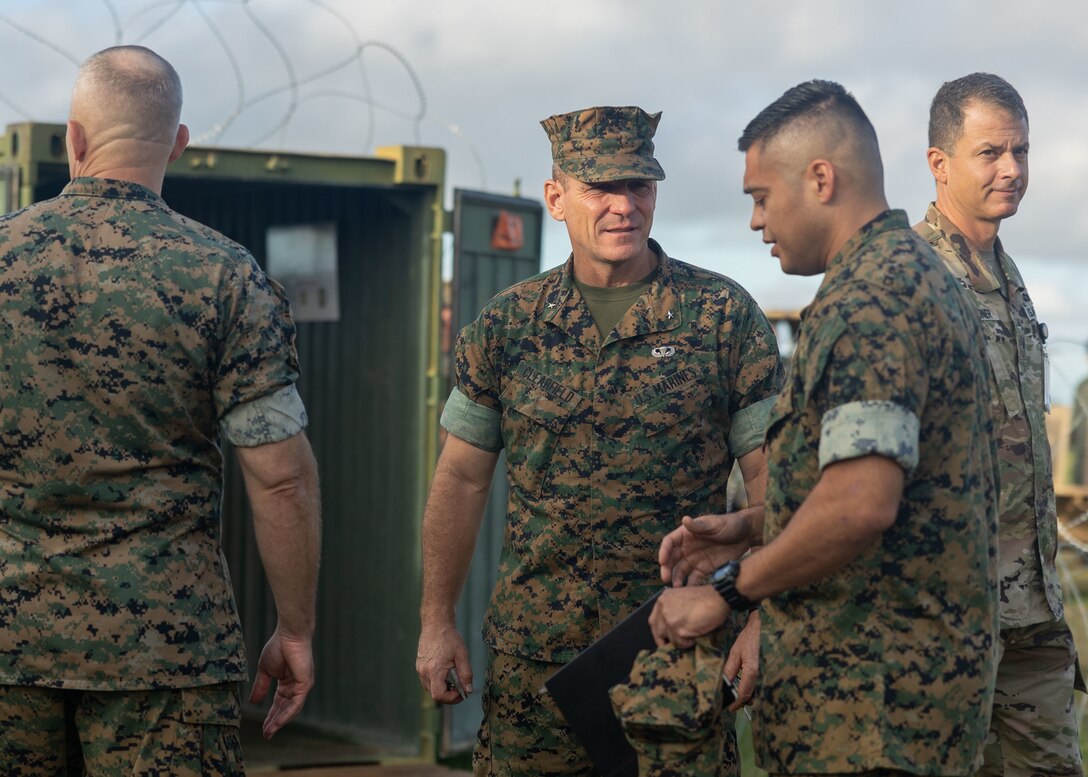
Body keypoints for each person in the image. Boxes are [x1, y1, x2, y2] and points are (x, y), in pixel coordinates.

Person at [415, 105, 783, 776]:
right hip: (537, 665)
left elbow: (773, 482)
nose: (623, 206)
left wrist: (761, 620)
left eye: (638, 186)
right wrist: (436, 619)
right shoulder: (506, 327)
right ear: (556, 198)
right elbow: (460, 480)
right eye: (601, 187)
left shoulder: (722, 318)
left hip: (677, 652)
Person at [650, 80, 1000, 776]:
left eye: (760, 195)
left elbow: (862, 503)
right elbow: (892, 483)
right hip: (883, 701)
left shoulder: (875, 298)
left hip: (872, 712)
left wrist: (726, 591)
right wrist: (756, 522)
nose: (755, 220)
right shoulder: (907, 276)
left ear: (820, 179)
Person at [0, 46, 321, 774]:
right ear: (179, 143)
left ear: (72, 139)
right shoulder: (226, 277)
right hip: (165, 654)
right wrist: (294, 630)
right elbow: (281, 481)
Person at [914, 72, 1084, 776]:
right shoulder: (910, 278)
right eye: (990, 152)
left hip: (1034, 616)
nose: (1011, 169)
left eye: (1021, 151)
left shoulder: (1010, 279)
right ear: (940, 162)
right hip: (947, 621)